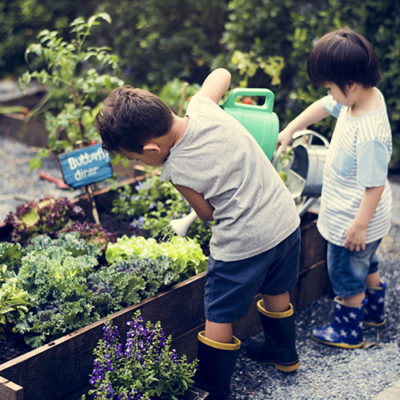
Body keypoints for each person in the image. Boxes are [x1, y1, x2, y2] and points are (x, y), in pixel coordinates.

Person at [94, 68, 301, 399]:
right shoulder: (202, 105)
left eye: (135, 157)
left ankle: (213, 387)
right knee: (276, 287)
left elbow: (207, 213)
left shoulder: (175, 168)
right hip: (285, 220)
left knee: (218, 312)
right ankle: (284, 354)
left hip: (244, 242)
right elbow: (221, 73)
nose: (140, 161)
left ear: (150, 150)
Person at [278, 28, 392, 349]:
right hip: (368, 221)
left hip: (354, 221)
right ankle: (374, 310)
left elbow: (374, 185)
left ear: (350, 85)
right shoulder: (361, 97)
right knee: (367, 263)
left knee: (345, 274)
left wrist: (358, 225)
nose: (329, 93)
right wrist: (291, 128)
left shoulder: (368, 131)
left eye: (330, 86)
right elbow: (326, 106)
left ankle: (348, 331)